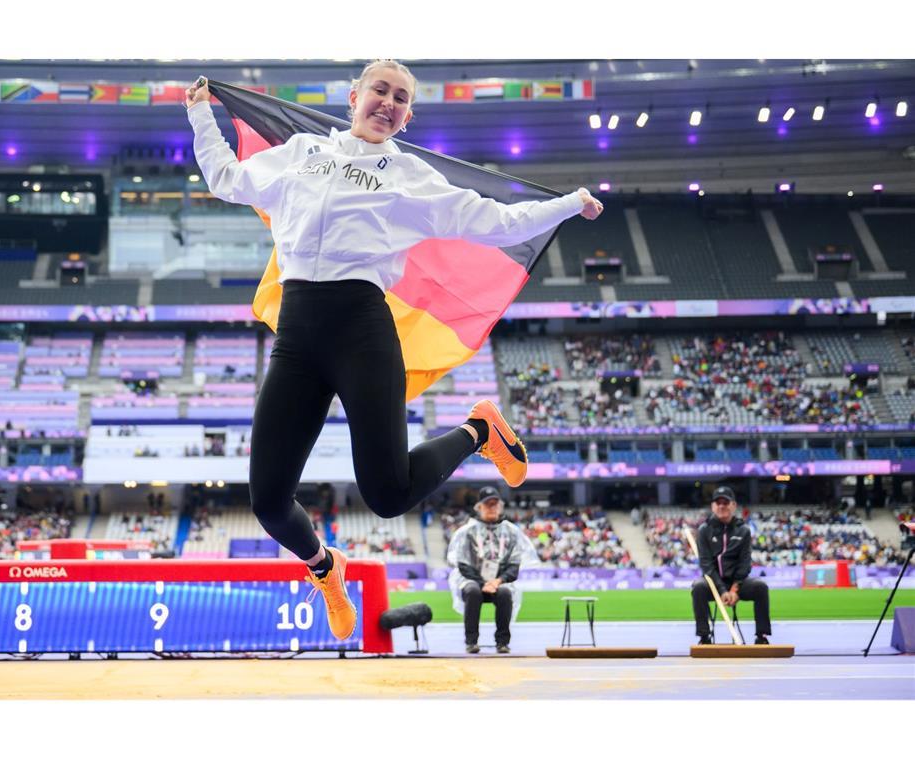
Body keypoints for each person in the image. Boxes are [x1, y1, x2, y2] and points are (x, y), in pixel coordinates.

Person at [185, 60, 603, 640]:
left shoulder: (410, 178)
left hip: (362, 328)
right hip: (299, 334)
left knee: (388, 494)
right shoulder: (302, 153)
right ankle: (324, 567)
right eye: (380, 90)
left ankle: (480, 431)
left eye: (401, 98)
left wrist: (564, 204)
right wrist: (200, 114)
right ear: (354, 96)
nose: (388, 102)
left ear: (407, 117)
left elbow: (497, 221)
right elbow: (227, 179)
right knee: (268, 502)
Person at [447, 486, 534, 653]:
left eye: (495, 504)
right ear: (479, 507)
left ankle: (502, 642)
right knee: (472, 591)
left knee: (505, 593)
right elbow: (463, 564)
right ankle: (471, 641)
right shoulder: (467, 532)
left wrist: (496, 581)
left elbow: (514, 565)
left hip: (498, 582)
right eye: (488, 505)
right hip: (472, 581)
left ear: (500, 506)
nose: (492, 508)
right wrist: (482, 583)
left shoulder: (511, 531)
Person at [692, 485, 772, 645]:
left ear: (733, 505)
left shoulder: (743, 530)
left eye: (726, 503)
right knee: (698, 587)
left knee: (760, 587)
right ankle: (704, 637)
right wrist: (722, 591)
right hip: (713, 584)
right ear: (713, 506)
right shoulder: (704, 530)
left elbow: (745, 563)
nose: (722, 506)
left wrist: (734, 589)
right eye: (718, 503)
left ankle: (761, 636)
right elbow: (707, 565)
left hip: (738, 584)